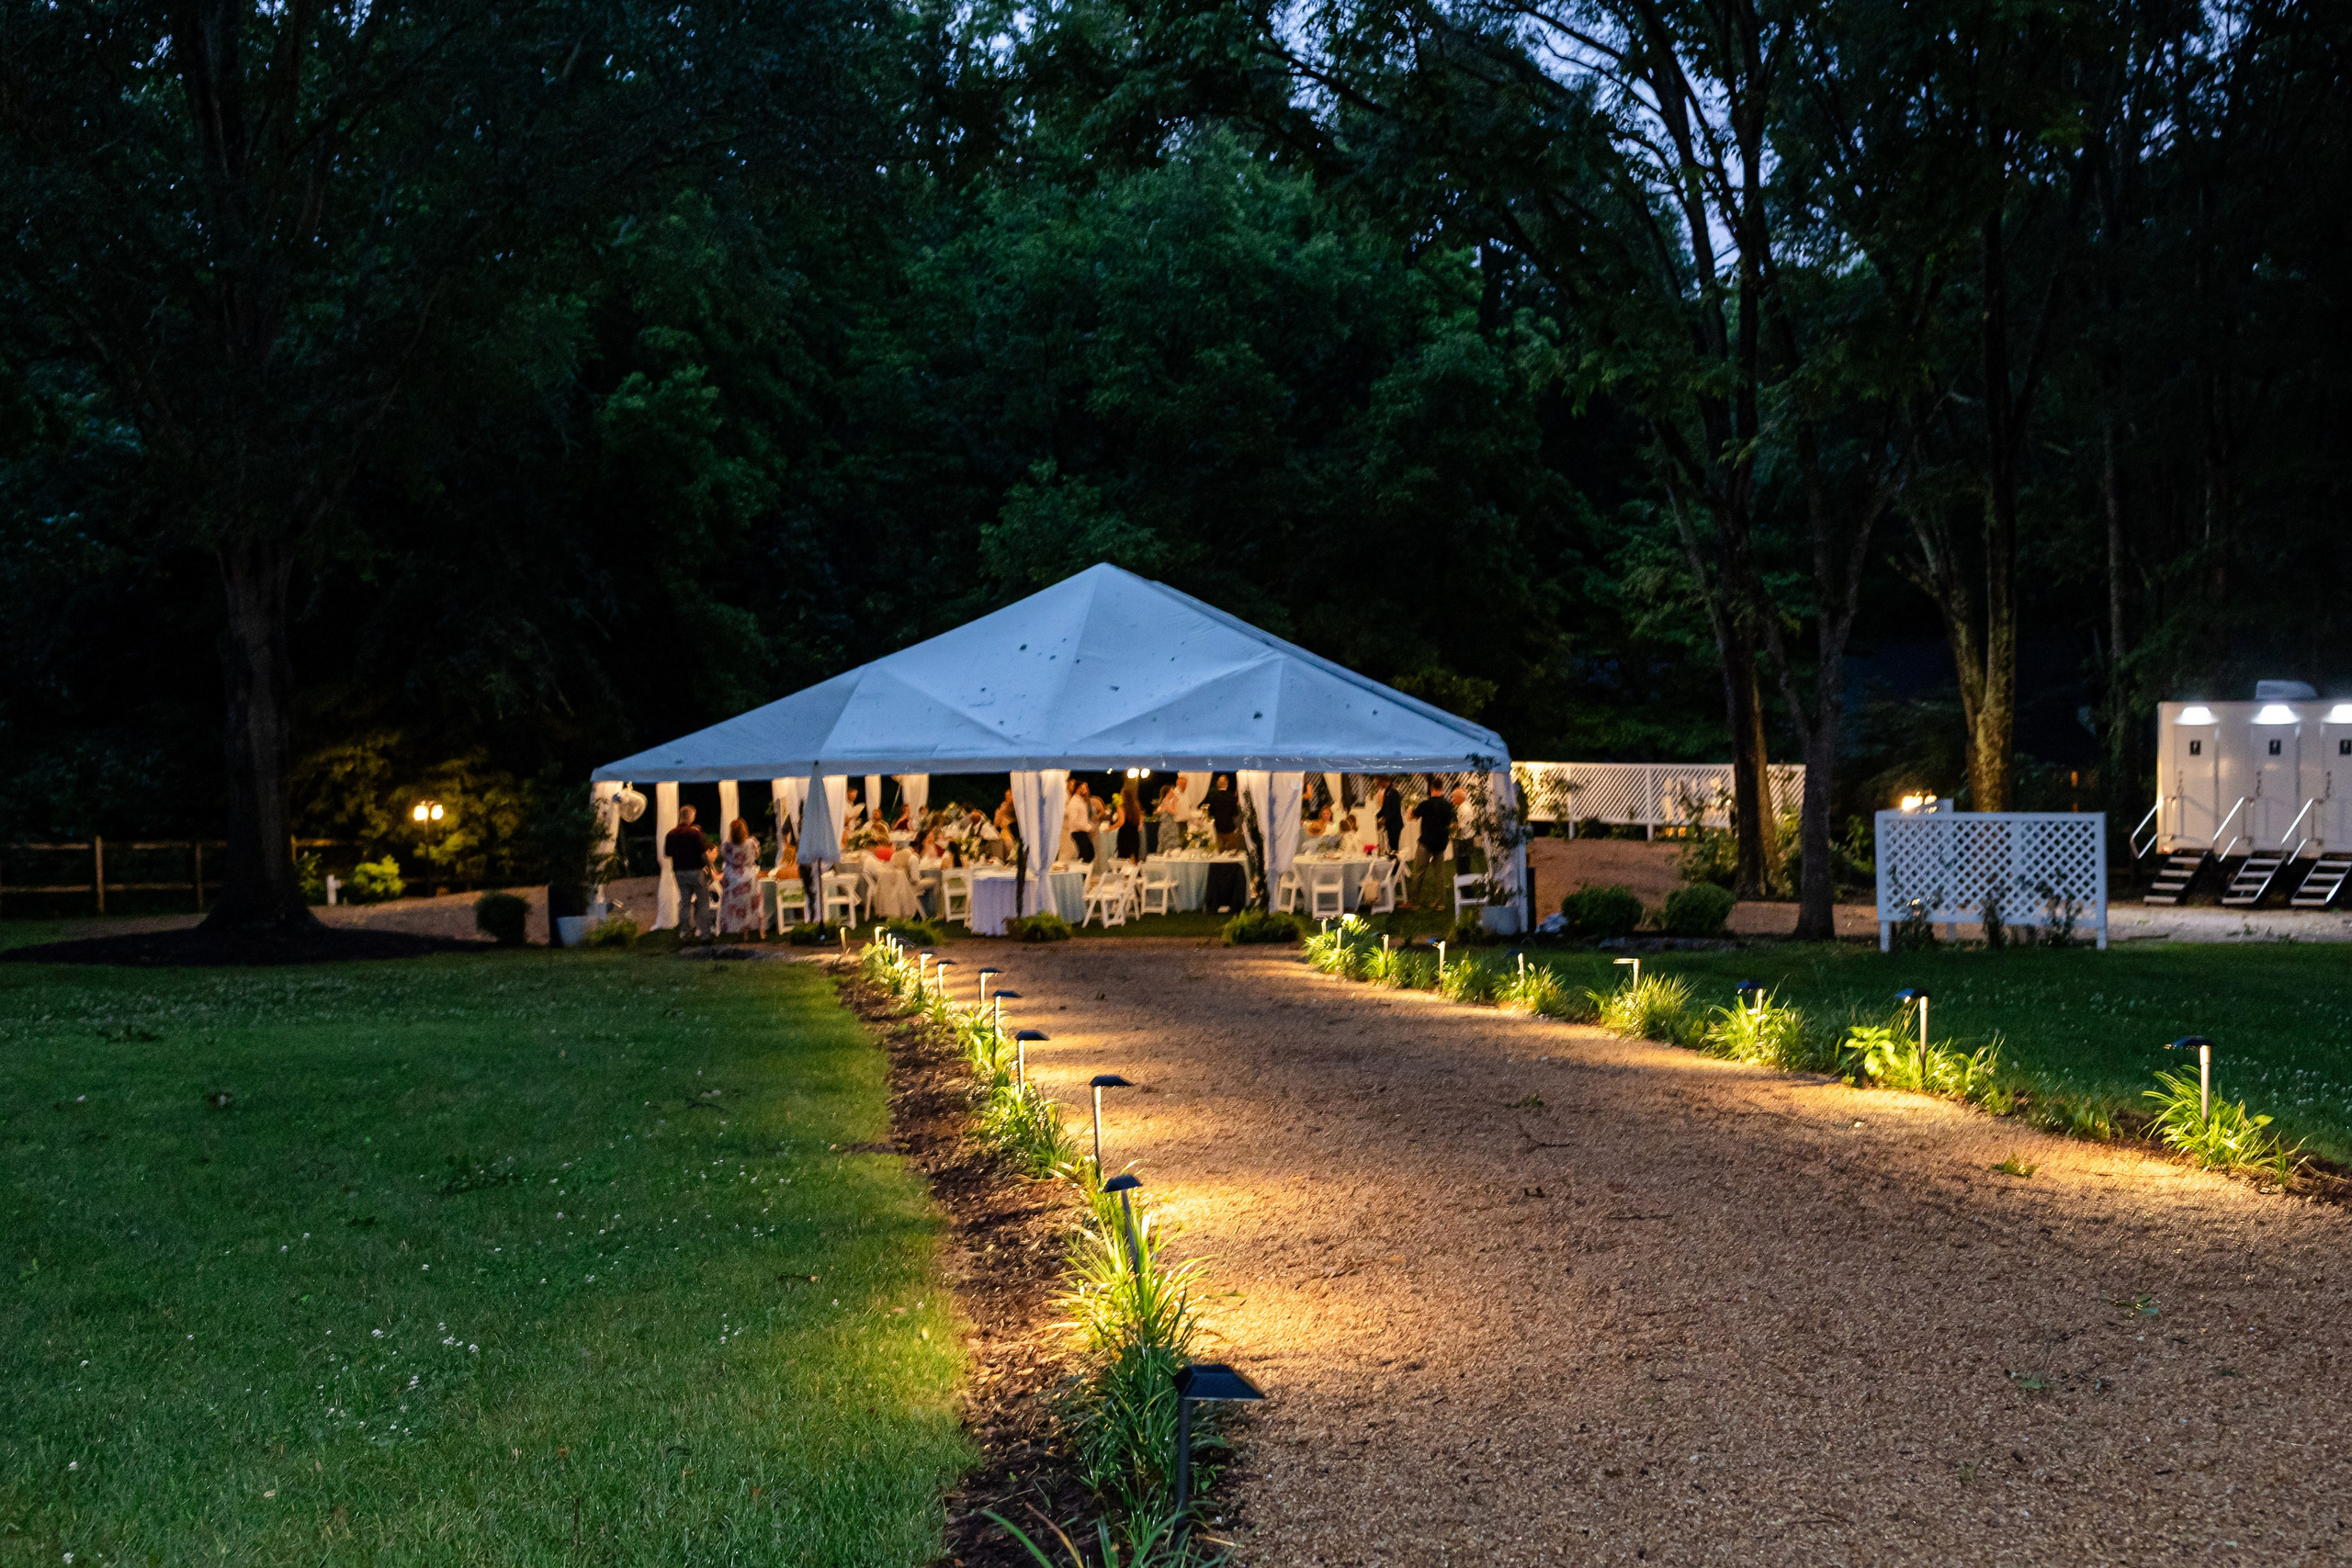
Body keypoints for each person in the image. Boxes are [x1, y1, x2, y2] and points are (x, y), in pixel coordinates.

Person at [663, 805, 714, 940]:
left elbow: (667, 854)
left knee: (685, 902)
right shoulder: (695, 834)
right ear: (691, 817)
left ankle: (684, 932)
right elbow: (703, 854)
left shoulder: (671, 834)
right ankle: (705, 934)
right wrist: (709, 869)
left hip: (680, 872)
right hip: (696, 871)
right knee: (703, 902)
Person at [1408, 775, 1457, 909]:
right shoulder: (1448, 806)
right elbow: (1453, 824)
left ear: (1431, 789)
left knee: (1418, 872)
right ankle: (1440, 902)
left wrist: (1409, 810)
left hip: (1426, 842)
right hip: (1441, 843)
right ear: (1442, 789)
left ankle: (1414, 901)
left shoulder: (1426, 804)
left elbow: (1413, 816)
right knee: (1440, 874)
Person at [718, 818, 763, 937]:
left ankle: (735, 929)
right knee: (750, 905)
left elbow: (724, 856)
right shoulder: (752, 843)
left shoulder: (727, 846)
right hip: (749, 877)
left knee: (734, 905)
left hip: (732, 878)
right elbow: (757, 854)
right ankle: (751, 928)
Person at [1204, 774, 1241, 852]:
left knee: (1221, 853)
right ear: (1227, 784)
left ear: (1218, 784)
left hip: (1218, 829)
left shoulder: (1213, 798)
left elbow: (1211, 812)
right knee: (1232, 852)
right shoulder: (1231, 797)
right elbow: (1235, 813)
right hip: (1230, 828)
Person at [1065, 778, 1096, 864]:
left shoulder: (1080, 801)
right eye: (1084, 788)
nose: (1086, 790)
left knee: (1088, 854)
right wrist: (1088, 828)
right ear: (1078, 789)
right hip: (1078, 832)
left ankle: (1082, 871)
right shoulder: (1074, 803)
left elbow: (1082, 819)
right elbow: (1074, 821)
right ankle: (1081, 871)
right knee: (1087, 855)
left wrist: (1089, 825)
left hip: (1082, 831)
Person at [1374, 777, 1405, 858]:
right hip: (1389, 824)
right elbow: (1384, 808)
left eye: (1379, 782)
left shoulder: (1395, 793)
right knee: (1390, 846)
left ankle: (1396, 863)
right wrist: (1377, 816)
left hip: (1395, 824)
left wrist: (1385, 820)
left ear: (1385, 781)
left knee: (1394, 847)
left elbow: (1395, 811)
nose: (1379, 785)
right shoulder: (1387, 792)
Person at [1115, 776, 1144, 863]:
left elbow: (1121, 821)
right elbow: (1141, 817)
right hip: (1134, 834)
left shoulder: (1121, 807)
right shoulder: (1136, 806)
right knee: (1134, 856)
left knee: (1123, 857)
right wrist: (1139, 825)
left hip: (1124, 834)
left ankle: (1124, 871)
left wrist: (1110, 828)